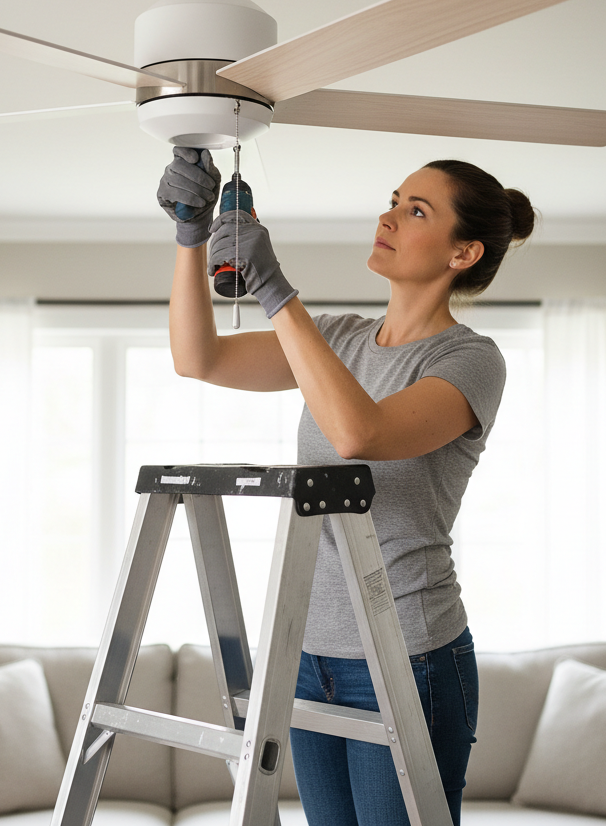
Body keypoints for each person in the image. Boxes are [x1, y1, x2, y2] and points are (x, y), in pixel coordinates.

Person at [157, 146, 537, 826]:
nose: (388, 216)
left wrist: (274, 288)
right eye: (393, 199)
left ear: (463, 254)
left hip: (407, 655)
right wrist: (190, 234)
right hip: (307, 654)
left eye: (416, 210)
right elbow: (198, 357)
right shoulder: (337, 338)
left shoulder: (470, 360)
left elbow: (361, 436)